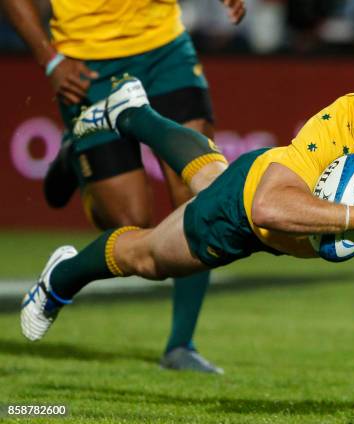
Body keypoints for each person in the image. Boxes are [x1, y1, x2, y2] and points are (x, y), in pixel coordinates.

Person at [21, 47, 354, 399]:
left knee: (210, 171)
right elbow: (266, 207)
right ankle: (62, 277)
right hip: (246, 214)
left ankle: (132, 114)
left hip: (279, 214)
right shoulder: (337, 124)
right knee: (149, 257)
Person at [1, 0, 245, 373]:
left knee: (200, 196)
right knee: (130, 221)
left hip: (165, 48)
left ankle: (181, 345)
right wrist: (50, 60)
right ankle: (76, 159)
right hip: (87, 61)